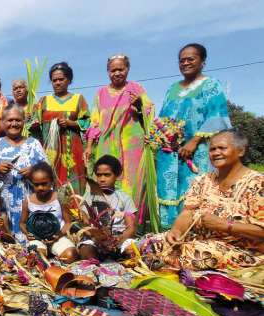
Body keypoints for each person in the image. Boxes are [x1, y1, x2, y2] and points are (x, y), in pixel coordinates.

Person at [143, 130, 263, 271]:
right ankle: (160, 260)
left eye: (222, 148)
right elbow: (188, 212)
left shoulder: (257, 183)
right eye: (212, 149)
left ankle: (161, 262)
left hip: (240, 249)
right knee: (151, 242)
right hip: (199, 240)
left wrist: (225, 225)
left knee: (197, 254)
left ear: (240, 151)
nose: (216, 153)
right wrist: (175, 231)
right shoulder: (203, 180)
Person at [157, 43, 231, 229]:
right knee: (169, 188)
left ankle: (195, 231)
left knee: (194, 189)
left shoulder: (211, 85)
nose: (185, 63)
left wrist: (194, 141)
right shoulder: (172, 88)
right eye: (182, 60)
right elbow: (164, 117)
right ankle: (170, 232)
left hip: (198, 150)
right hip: (170, 152)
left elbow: (217, 115)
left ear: (202, 62)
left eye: (191, 59)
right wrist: (160, 137)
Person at [84, 55, 154, 220]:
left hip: (132, 144)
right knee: (106, 177)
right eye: (113, 70)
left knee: (133, 181)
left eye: (121, 69)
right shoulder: (100, 93)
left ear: (127, 69)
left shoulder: (137, 89)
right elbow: (94, 122)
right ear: (108, 72)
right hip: (107, 144)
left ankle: (133, 222)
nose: (117, 73)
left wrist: (139, 106)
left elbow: (149, 116)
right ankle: (104, 220)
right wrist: (88, 146)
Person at [0, 104, 47, 243]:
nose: (13, 123)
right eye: (9, 120)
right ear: (2, 122)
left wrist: (33, 171)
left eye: (18, 120)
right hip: (1, 204)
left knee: (31, 244)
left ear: (23, 122)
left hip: (28, 202)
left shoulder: (34, 144)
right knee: (4, 242)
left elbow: (47, 171)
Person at [34, 62, 90, 193]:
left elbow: (87, 122)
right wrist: (35, 124)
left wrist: (71, 123)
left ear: (69, 80)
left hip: (72, 152)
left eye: (61, 79)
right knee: (50, 180)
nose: (57, 83)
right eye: (54, 80)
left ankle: (76, 212)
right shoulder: (43, 101)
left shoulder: (78, 99)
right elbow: (32, 123)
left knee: (74, 183)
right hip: (51, 152)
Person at [78, 155, 137, 260]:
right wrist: (97, 238)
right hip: (96, 239)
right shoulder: (89, 196)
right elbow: (85, 223)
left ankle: (118, 255)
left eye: (107, 175)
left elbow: (131, 227)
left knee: (133, 251)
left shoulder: (124, 197)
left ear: (117, 175)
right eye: (99, 175)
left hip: (118, 238)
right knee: (86, 252)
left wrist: (119, 239)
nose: (102, 179)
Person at [20, 162, 78, 263]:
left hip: (58, 237)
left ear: (51, 181)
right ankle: (44, 252)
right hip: (37, 240)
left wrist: (58, 235)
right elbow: (22, 223)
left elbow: (68, 222)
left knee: (71, 255)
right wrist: (27, 233)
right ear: (32, 183)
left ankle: (53, 251)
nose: (40, 188)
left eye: (44, 184)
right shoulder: (28, 201)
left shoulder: (59, 197)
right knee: (36, 258)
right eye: (36, 185)